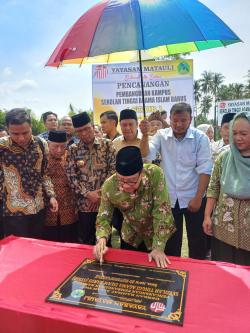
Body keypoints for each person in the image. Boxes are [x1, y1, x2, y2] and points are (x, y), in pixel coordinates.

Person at [140, 102, 212, 259]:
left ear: (190, 119)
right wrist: (145, 135)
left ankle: (198, 277)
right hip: (170, 198)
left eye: (183, 120)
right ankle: (174, 278)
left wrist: (199, 198)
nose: (179, 124)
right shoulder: (161, 135)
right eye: (175, 120)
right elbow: (146, 155)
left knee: (198, 242)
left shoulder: (200, 138)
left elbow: (205, 169)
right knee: (171, 243)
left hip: (194, 196)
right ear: (170, 119)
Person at [94, 146, 175, 268]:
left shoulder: (155, 174)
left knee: (161, 278)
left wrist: (158, 247)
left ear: (141, 173)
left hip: (158, 235)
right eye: (121, 180)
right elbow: (103, 217)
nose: (126, 186)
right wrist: (101, 239)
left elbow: (162, 211)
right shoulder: (109, 185)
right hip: (131, 236)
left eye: (131, 181)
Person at [0, 108, 58, 238]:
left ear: (31, 126)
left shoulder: (41, 144)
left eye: (25, 132)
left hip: (38, 208)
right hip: (12, 212)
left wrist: (51, 195)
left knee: (36, 246)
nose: (21, 138)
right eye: (15, 134)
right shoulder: (2, 146)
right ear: (8, 129)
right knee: (16, 250)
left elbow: (45, 173)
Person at [203, 112, 250, 266]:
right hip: (222, 229)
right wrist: (207, 216)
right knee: (224, 275)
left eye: (243, 133)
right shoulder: (223, 157)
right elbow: (213, 187)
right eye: (234, 133)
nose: (238, 138)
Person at [66, 112, 116, 245]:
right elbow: (71, 176)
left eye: (87, 129)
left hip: (104, 203)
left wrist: (99, 194)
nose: (84, 133)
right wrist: (88, 194)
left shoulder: (107, 145)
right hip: (84, 205)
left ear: (93, 126)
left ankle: (105, 265)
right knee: (85, 241)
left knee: (105, 239)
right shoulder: (73, 150)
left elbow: (113, 172)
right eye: (79, 131)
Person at [43, 130, 78, 243]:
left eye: (63, 147)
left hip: (69, 208)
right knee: (50, 240)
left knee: (69, 239)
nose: (59, 150)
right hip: (49, 209)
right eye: (55, 146)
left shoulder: (70, 156)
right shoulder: (42, 159)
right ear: (48, 144)